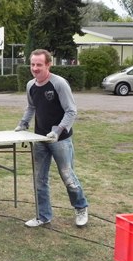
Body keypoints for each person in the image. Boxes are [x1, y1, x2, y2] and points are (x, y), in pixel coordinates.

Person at [15, 49, 89, 228]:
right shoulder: (30, 85)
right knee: (39, 179)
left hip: (60, 140)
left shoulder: (59, 83)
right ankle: (43, 216)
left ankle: (81, 208)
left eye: (39, 64)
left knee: (68, 176)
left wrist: (58, 131)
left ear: (48, 64)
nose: (35, 68)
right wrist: (23, 123)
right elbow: (31, 107)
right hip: (40, 138)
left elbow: (71, 111)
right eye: (32, 64)